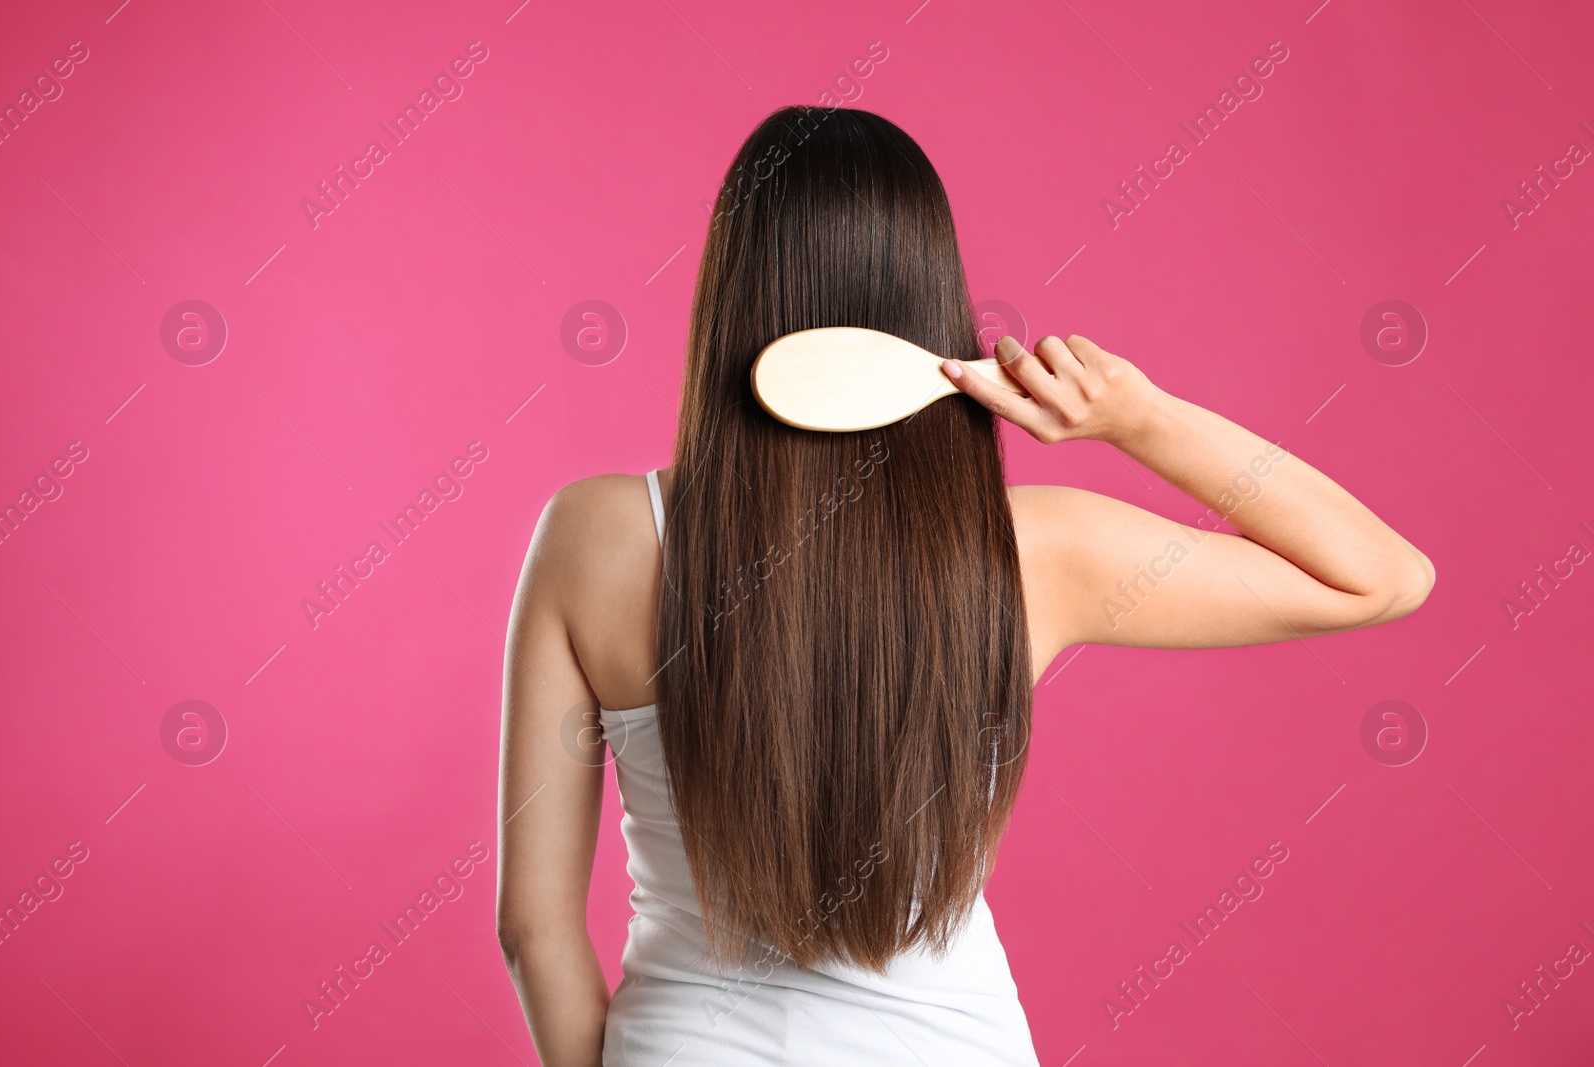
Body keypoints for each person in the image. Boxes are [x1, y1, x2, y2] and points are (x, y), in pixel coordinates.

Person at [495, 106, 1434, 1067]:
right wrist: (1137, 418)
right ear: (934, 293)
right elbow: (1382, 577)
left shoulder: (596, 538)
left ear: (731, 297)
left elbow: (532, 927)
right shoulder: (1035, 551)